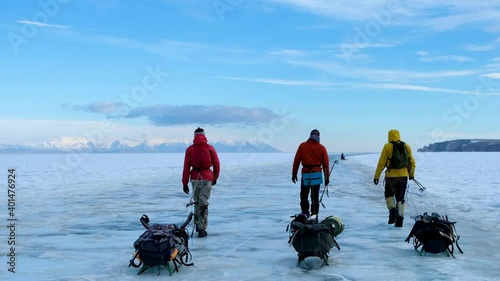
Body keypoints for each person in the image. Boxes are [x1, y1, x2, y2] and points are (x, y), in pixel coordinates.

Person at [182, 127, 220, 237]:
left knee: (197, 201)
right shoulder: (210, 148)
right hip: (207, 177)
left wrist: (184, 182)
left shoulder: (190, 149)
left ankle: (198, 224)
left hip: (194, 178)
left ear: (194, 136)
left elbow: (186, 167)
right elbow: (217, 164)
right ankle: (202, 227)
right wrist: (215, 177)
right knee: (203, 202)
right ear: (204, 135)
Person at [373, 129, 416, 227]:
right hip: (403, 177)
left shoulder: (387, 146)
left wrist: (376, 176)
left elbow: (381, 163)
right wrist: (411, 174)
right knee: (400, 198)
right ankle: (400, 219)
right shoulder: (406, 146)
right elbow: (412, 162)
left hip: (391, 177)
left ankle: (392, 211)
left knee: (389, 195)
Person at [292, 129, 330, 219]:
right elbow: (326, 165)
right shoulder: (322, 148)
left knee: (304, 194)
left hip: (306, 173)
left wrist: (294, 174)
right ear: (318, 137)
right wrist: (327, 177)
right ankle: (315, 214)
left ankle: (305, 212)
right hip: (317, 173)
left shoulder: (302, 146)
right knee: (315, 195)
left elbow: (296, 161)